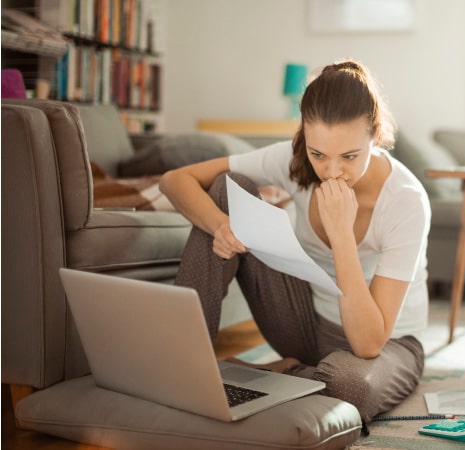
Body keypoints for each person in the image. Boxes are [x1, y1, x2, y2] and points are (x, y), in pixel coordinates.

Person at [159, 59, 431, 422]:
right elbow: (175, 180)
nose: (332, 171)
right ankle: (184, 368)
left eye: (350, 156)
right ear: (305, 137)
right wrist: (221, 225)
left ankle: (276, 373)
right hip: (306, 324)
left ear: (375, 135)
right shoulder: (292, 160)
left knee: (350, 389)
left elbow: (368, 344)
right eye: (319, 154)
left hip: (387, 346)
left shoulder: (406, 201)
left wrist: (341, 235)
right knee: (228, 188)